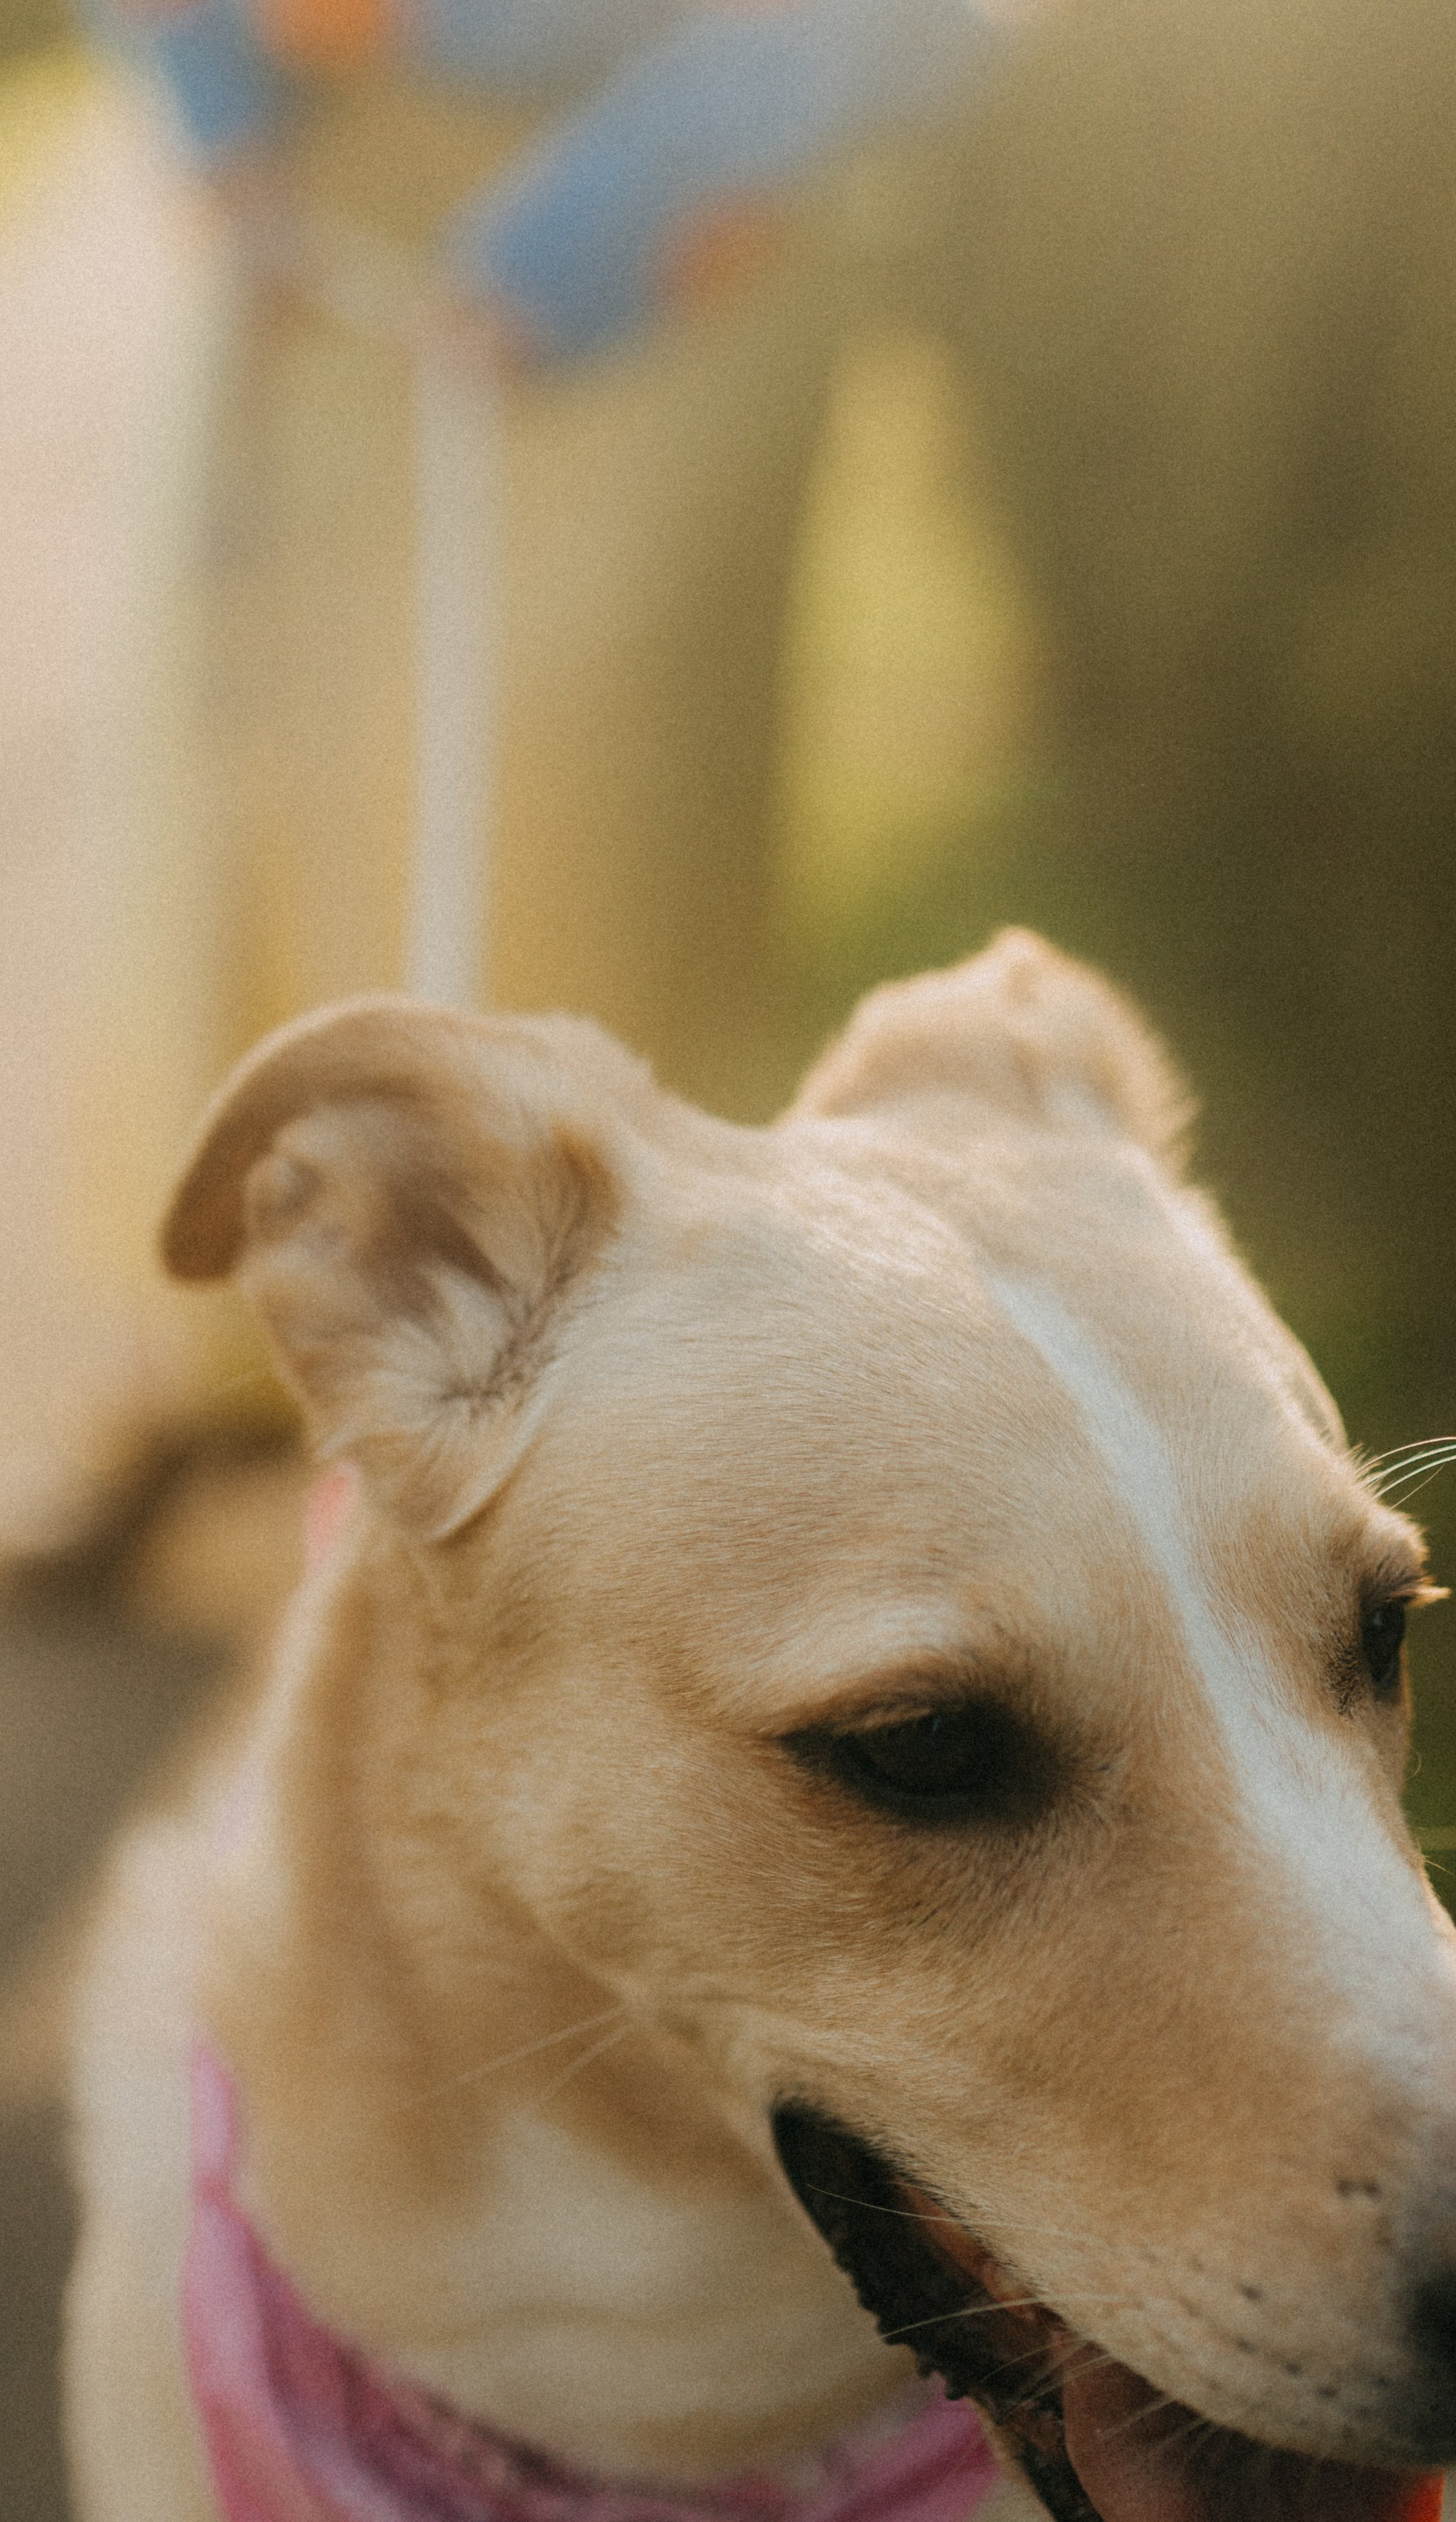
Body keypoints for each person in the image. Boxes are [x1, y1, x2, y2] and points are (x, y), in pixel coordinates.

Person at [59, 0, 1040, 1522]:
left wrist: (645, 192)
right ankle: (223, 1358)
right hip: (315, 194)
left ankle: (585, 1452)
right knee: (247, 781)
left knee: (574, 850)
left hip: (664, 217)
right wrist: (212, 96)